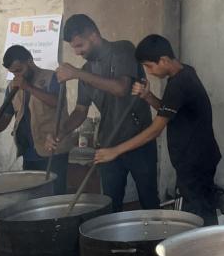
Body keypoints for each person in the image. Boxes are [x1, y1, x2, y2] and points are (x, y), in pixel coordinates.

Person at [95, 34, 222, 226]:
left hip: (194, 162)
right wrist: (147, 96)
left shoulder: (179, 84)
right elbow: (169, 109)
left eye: (149, 66)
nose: (149, 72)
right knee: (203, 211)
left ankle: (206, 243)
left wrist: (115, 151)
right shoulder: (184, 72)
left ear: (163, 60)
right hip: (198, 158)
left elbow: (155, 130)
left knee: (197, 217)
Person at [52, 14, 158, 212]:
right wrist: (62, 131)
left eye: (79, 45)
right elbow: (80, 110)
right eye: (74, 48)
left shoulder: (123, 49)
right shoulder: (86, 69)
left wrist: (77, 73)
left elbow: (121, 88)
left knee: (149, 200)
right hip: (108, 143)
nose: (77, 52)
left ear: (93, 36)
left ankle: (155, 233)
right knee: (110, 204)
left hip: (139, 141)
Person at [0, 46, 71, 193]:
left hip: (53, 149)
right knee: (34, 195)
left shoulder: (53, 77)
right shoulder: (12, 87)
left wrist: (28, 88)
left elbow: (57, 102)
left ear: (30, 61)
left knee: (54, 194)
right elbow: (7, 116)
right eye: (13, 73)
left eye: (19, 70)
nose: (17, 75)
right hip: (28, 151)